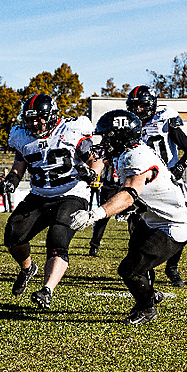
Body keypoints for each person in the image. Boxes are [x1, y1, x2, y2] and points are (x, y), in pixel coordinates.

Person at [70, 109, 187, 325]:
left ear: (120, 136)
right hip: (154, 218)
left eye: (107, 136)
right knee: (135, 259)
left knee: (129, 270)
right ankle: (150, 294)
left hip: (171, 224)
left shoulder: (136, 156)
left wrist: (94, 214)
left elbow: (129, 193)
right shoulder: (130, 152)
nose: (104, 141)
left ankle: (147, 308)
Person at [0, 93, 102, 309]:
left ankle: (47, 290)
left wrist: (92, 174)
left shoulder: (72, 130)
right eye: (30, 119)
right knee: (13, 236)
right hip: (40, 194)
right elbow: (19, 165)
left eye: (39, 118)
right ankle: (28, 269)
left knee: (57, 238)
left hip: (71, 194)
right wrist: (11, 181)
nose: (34, 124)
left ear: (52, 115)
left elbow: (95, 160)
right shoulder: (22, 136)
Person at [126, 85, 187, 287]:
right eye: (134, 106)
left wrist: (179, 167)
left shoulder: (165, 118)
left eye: (142, 106)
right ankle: (144, 270)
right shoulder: (129, 125)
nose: (138, 111)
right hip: (143, 182)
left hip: (168, 182)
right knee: (137, 226)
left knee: (178, 225)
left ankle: (172, 268)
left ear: (152, 105)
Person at [87, 160, 120, 257]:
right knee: (103, 216)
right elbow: (101, 162)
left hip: (126, 184)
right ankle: (94, 245)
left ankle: (134, 249)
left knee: (134, 217)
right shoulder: (109, 149)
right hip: (109, 185)